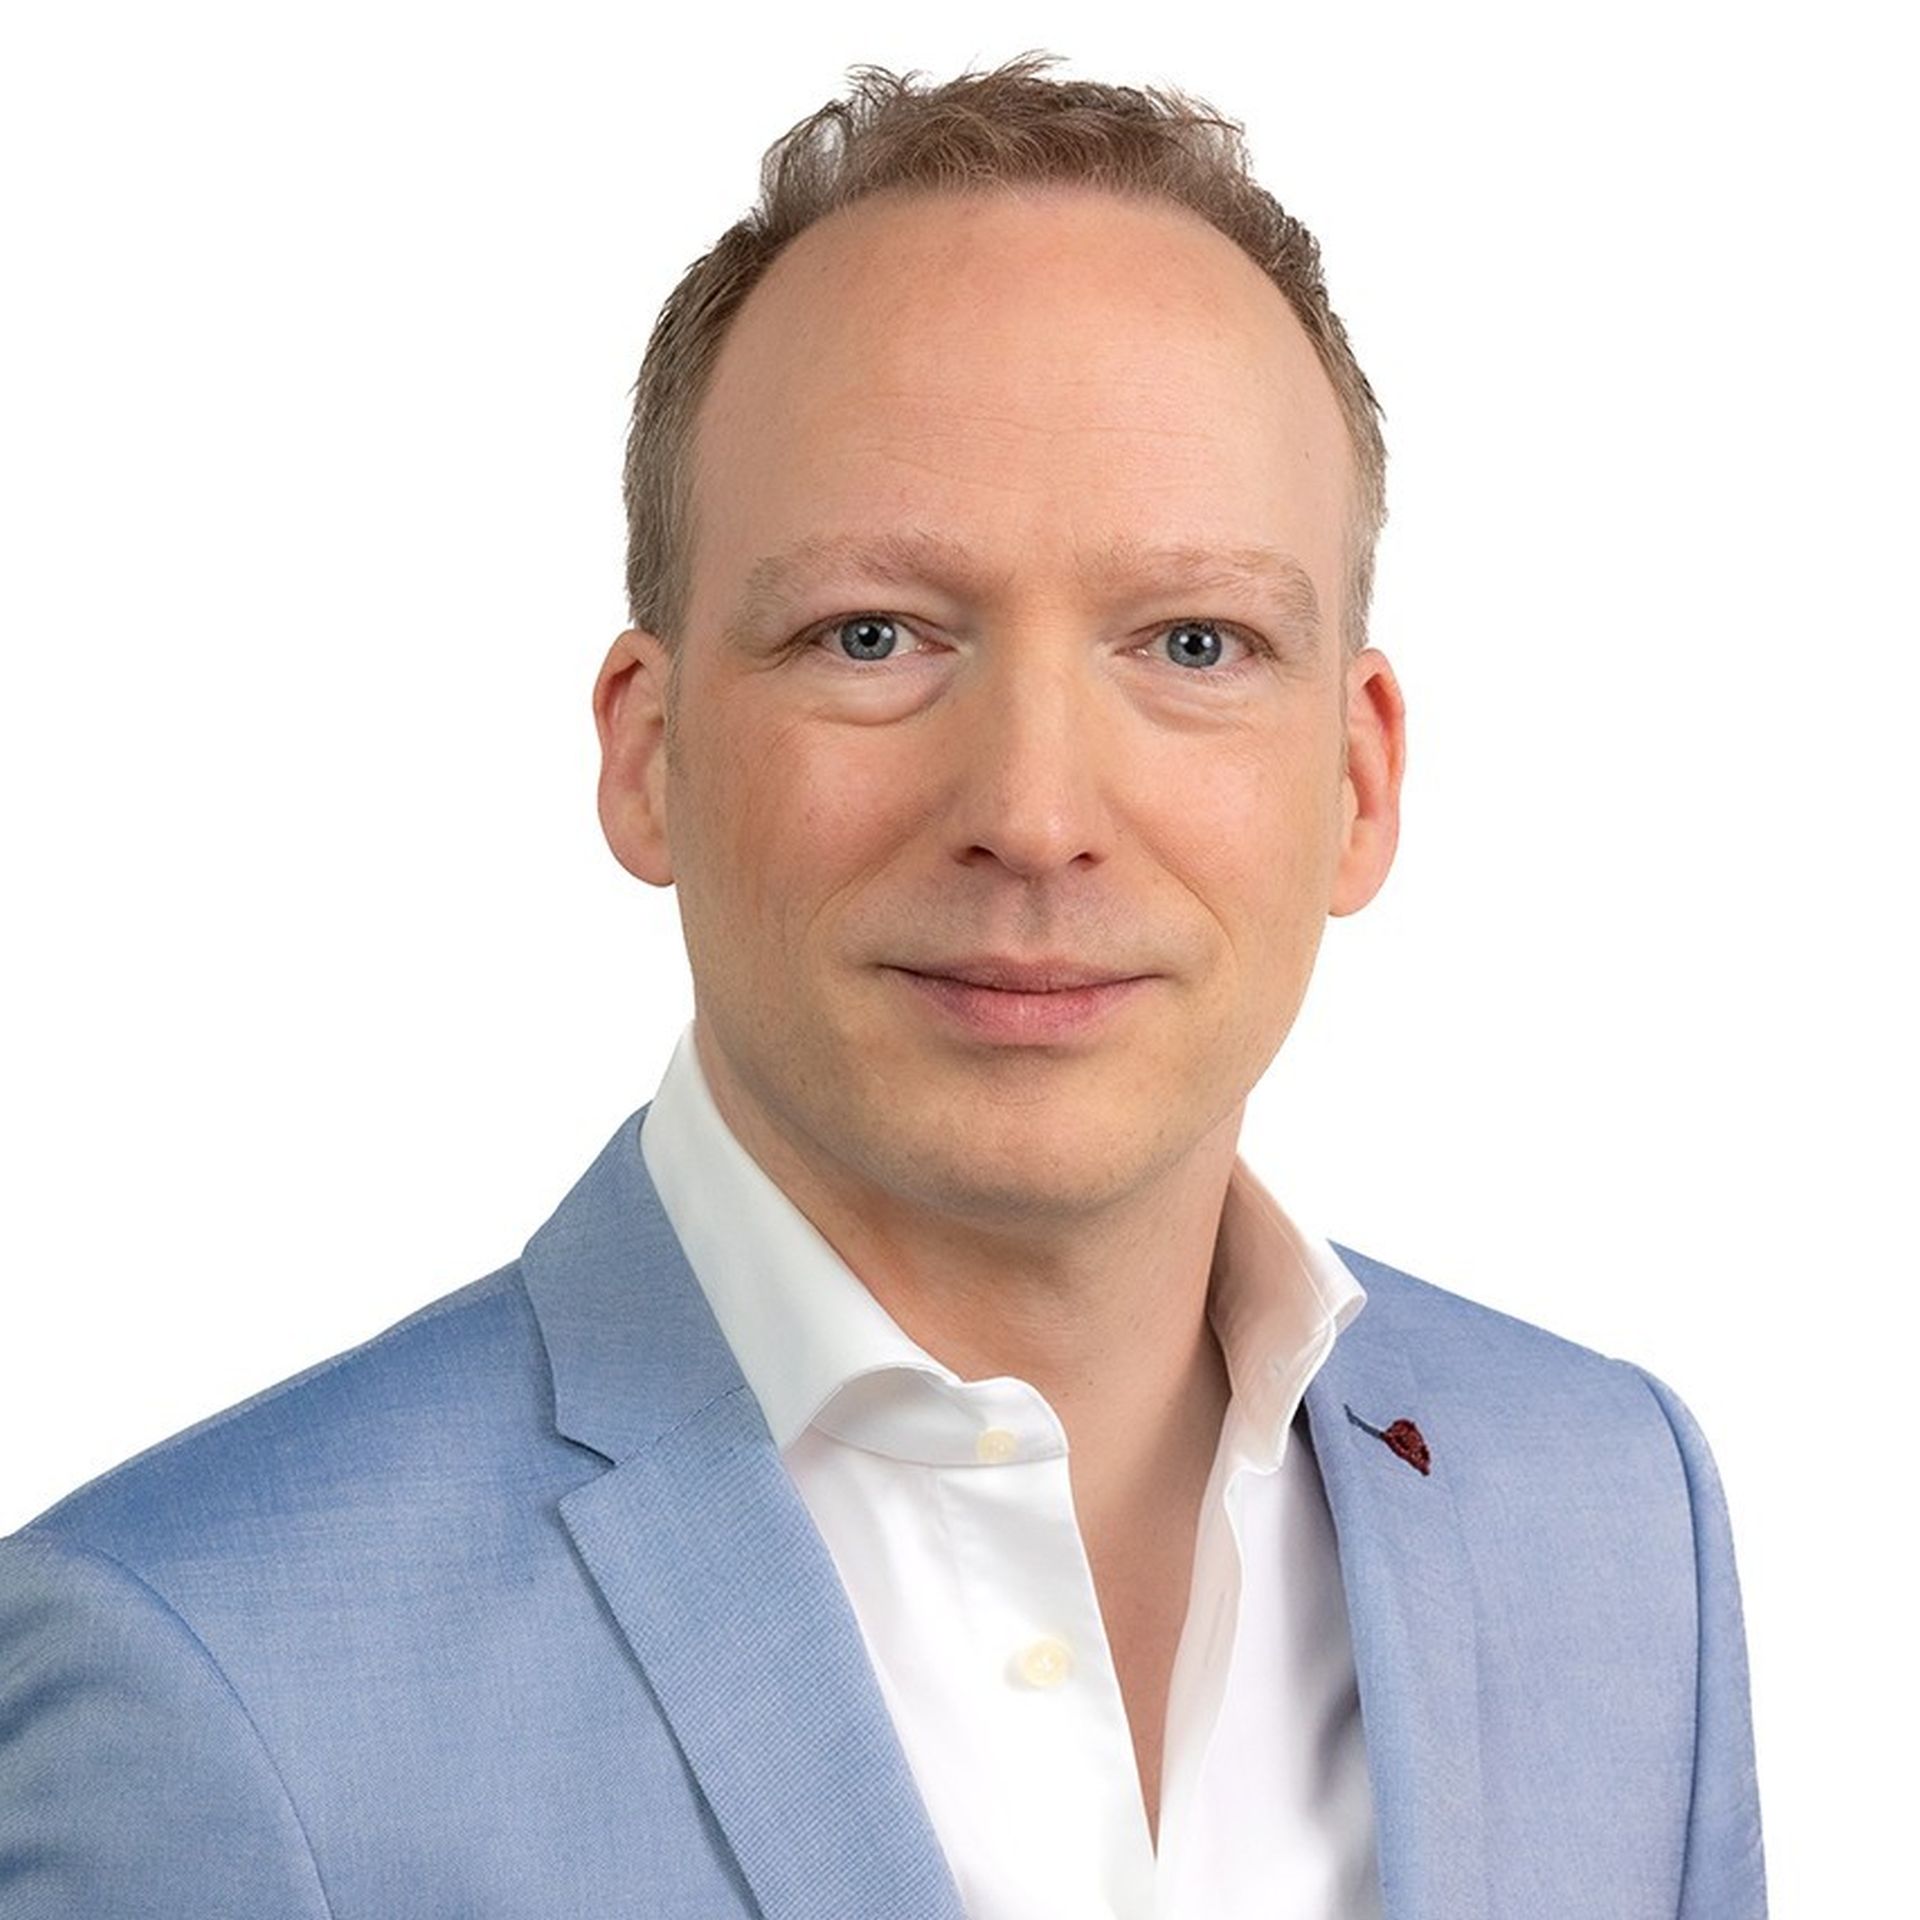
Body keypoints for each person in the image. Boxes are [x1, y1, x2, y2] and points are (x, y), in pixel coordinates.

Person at [0, 56, 1765, 1920]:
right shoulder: (199, 1681)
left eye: (1194, 641)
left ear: (1359, 779)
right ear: (650, 755)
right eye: (873, 635)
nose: (1035, 814)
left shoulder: (1617, 1522)